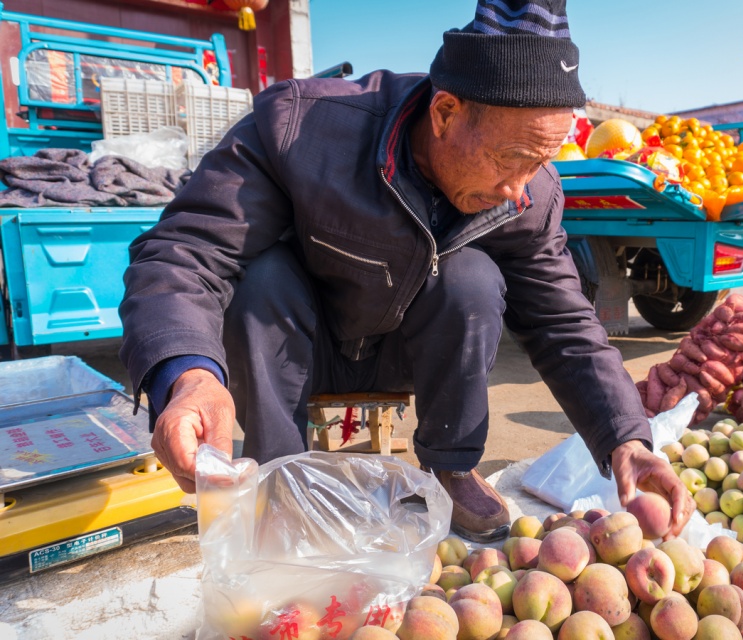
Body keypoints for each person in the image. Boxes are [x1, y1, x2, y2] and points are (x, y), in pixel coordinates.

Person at [118, 0, 694, 543]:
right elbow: (184, 251)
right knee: (262, 280)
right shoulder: (302, 129)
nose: (519, 189)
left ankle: (450, 469)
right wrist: (188, 376)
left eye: (538, 163)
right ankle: (283, 480)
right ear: (445, 112)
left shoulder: (530, 195)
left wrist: (626, 436)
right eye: (509, 160)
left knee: (472, 278)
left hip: (404, 349)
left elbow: (564, 321)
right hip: (301, 344)